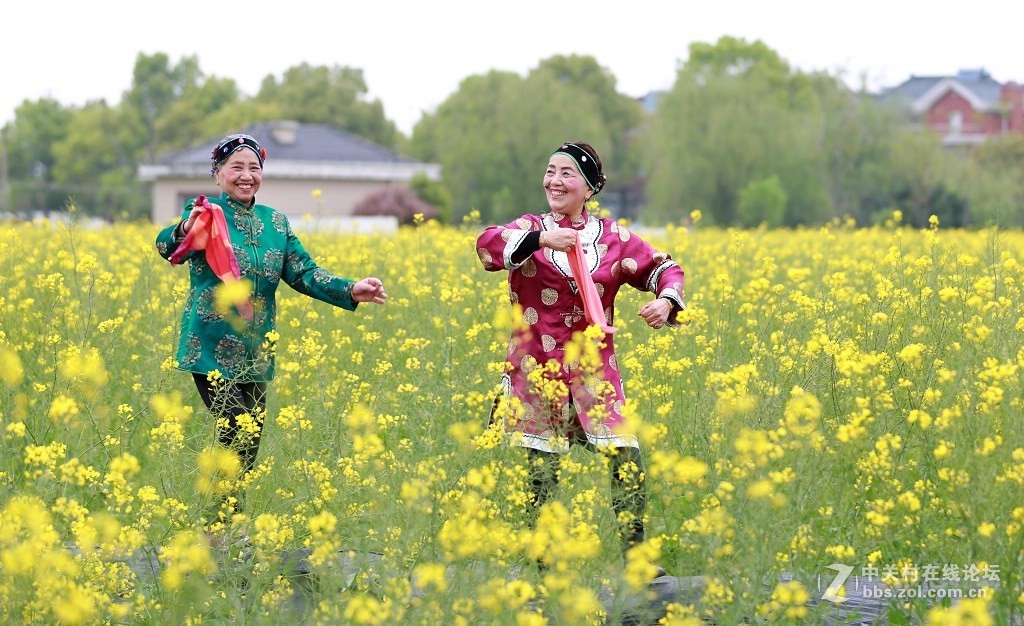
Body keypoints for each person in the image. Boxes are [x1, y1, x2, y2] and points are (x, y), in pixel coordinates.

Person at [155, 133, 388, 529]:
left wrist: (350, 289)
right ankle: (219, 531)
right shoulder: (206, 215)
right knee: (234, 432)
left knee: (249, 445)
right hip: (210, 346)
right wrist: (184, 227)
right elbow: (166, 246)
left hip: (257, 350)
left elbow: (303, 272)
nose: (247, 176)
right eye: (236, 168)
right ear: (217, 175)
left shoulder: (275, 222)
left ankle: (227, 527)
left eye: (254, 168)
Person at [476, 141, 685, 572]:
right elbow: (488, 246)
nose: (554, 181)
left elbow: (664, 268)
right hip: (537, 367)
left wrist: (666, 301)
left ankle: (636, 558)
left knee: (627, 457)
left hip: (593, 370)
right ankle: (544, 564)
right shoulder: (529, 227)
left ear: (588, 186)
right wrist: (540, 238)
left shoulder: (613, 238)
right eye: (550, 171)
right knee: (542, 470)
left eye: (566, 173)